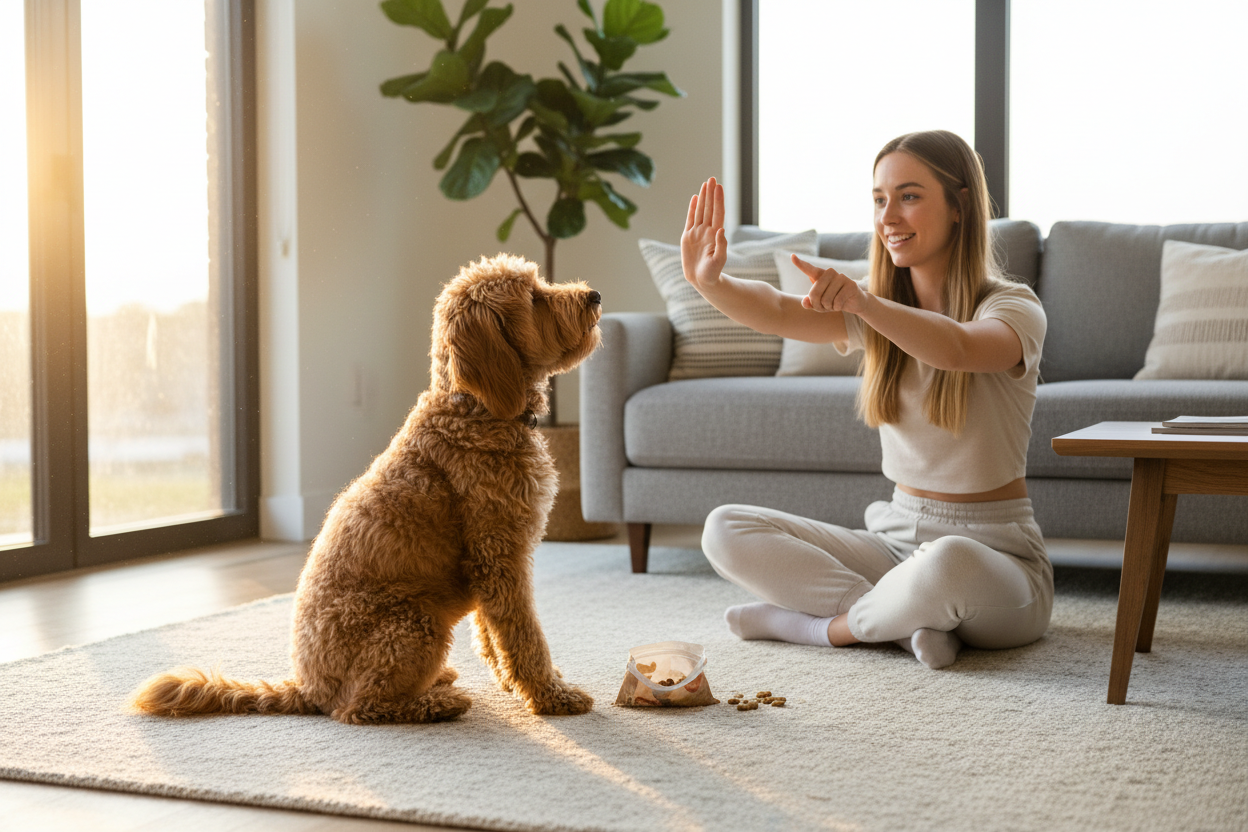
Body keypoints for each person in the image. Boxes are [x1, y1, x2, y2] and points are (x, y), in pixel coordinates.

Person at [682, 130, 1051, 669]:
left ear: (959, 205)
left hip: (996, 557)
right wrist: (710, 283)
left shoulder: (1014, 307)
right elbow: (780, 310)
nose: (888, 216)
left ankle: (818, 628)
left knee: (947, 563)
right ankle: (903, 626)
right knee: (725, 528)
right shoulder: (873, 309)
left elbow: (958, 346)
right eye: (879, 199)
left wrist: (864, 304)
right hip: (895, 541)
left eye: (909, 195)